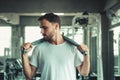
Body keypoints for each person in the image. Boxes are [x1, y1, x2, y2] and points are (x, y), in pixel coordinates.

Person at [21, 13, 90, 80]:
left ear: (56, 26)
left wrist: (86, 55)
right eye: (41, 28)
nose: (41, 32)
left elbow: (84, 73)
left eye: (45, 28)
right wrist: (24, 54)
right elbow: (29, 76)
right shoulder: (39, 48)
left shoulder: (73, 47)